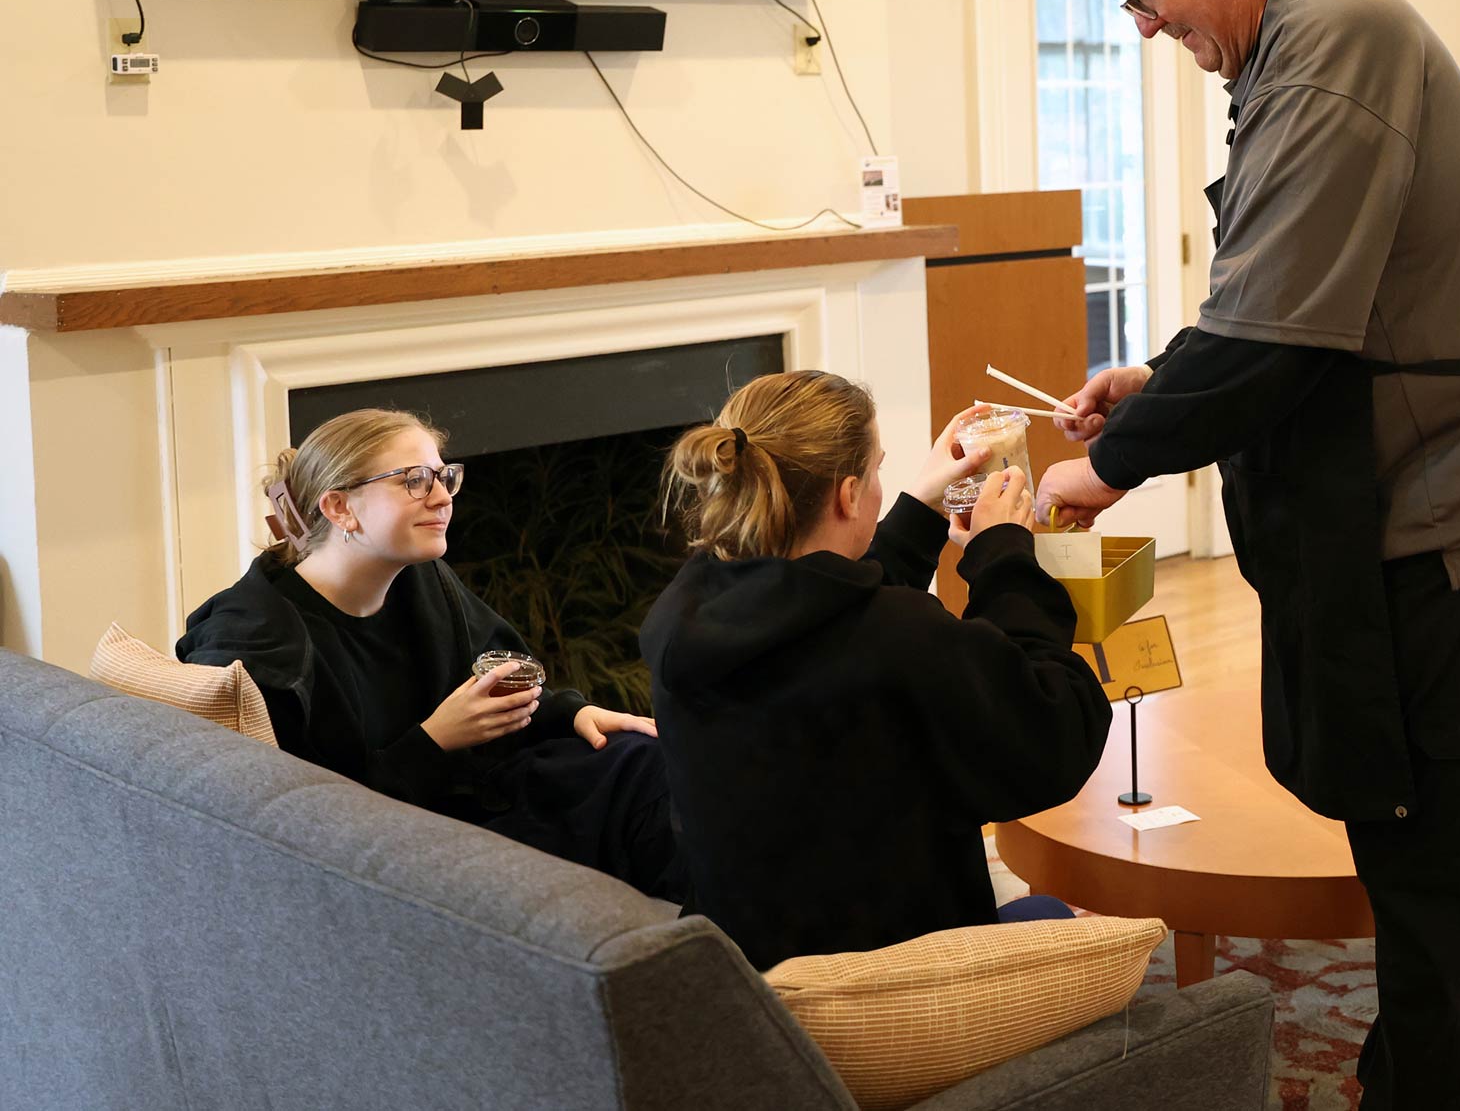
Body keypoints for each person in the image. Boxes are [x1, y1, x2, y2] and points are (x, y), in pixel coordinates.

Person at [1032, 0, 1460, 1110]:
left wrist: (1109, 469)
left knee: (1459, 881)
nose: (1142, 29)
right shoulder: (1299, 45)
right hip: (1420, 511)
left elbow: (1275, 333)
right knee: (1413, 854)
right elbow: (1271, 299)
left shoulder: (1338, 39)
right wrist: (1153, 383)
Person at [640, 372, 1111, 971]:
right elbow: (1055, 733)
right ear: (849, 494)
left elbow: (825, 607)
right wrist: (1005, 556)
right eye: (880, 471)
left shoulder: (685, 613)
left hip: (751, 975)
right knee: (1052, 917)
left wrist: (921, 504)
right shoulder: (901, 635)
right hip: (902, 983)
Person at [178, 408, 683, 901]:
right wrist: (435, 739)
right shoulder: (257, 647)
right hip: (401, 850)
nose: (442, 498)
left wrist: (572, 711)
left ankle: (733, 956)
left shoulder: (417, 576)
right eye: (415, 480)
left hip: (472, 789)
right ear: (339, 507)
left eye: (444, 477)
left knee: (651, 760)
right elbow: (311, 827)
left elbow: (496, 668)